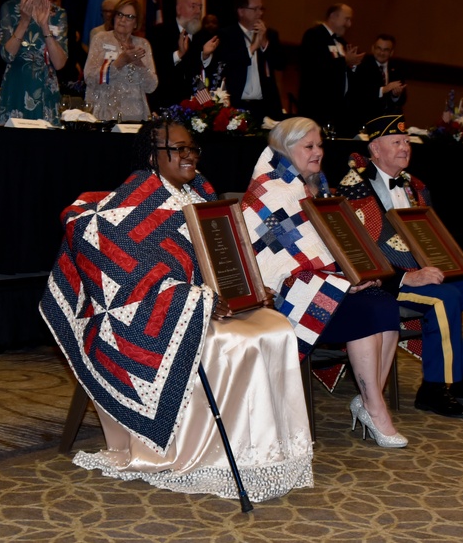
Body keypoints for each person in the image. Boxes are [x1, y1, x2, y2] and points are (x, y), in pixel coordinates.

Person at [39, 117, 313, 502]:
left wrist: (250, 286)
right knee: (241, 343)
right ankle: (218, 452)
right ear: (153, 155)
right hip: (157, 313)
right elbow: (134, 279)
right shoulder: (135, 203)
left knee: (276, 328)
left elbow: (221, 258)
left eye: (192, 149)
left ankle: (267, 451)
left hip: (208, 302)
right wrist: (198, 300)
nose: (189, 157)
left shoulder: (201, 192)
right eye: (179, 149)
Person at [241, 117, 407, 447]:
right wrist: (342, 280)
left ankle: (370, 402)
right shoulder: (272, 190)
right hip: (296, 295)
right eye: (309, 146)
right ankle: (375, 409)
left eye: (319, 145)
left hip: (333, 283)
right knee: (367, 313)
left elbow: (336, 242)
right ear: (286, 150)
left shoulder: (320, 185)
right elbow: (286, 260)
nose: (318, 152)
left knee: (384, 305)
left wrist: (355, 273)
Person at [338, 114, 463, 418]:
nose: (405, 147)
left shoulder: (415, 187)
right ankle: (435, 387)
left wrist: (445, 264)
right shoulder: (353, 188)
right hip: (388, 284)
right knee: (445, 297)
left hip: (424, 273)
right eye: (397, 142)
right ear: (375, 150)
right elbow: (358, 252)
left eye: (407, 141)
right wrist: (407, 278)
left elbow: (429, 237)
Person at [0, 0, 68, 125]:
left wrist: (44, 27)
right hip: (16, 86)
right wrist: (23, 22)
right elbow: (6, 55)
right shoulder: (10, 8)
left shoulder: (58, 14)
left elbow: (59, 63)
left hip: (45, 87)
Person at [213, 0, 286, 121]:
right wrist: (252, 48)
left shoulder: (271, 34)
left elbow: (280, 63)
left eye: (261, 8)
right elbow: (228, 63)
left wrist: (263, 42)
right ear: (241, 12)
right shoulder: (226, 35)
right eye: (255, 9)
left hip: (265, 104)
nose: (260, 13)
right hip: (237, 103)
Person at [84, 0, 157, 122]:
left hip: (135, 116)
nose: (123, 20)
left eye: (129, 16)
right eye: (120, 14)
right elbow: (89, 77)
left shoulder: (143, 45)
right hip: (104, 114)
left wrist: (139, 64)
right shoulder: (100, 39)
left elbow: (151, 86)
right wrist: (119, 63)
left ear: (136, 23)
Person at [297, 4, 365, 136]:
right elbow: (314, 68)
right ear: (333, 16)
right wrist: (344, 61)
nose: (349, 24)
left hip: (338, 113)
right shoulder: (314, 36)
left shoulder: (342, 43)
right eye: (347, 19)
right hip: (317, 109)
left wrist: (353, 64)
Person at [146, 0, 219, 112]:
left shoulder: (204, 36)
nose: (198, 12)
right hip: (166, 104)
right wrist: (178, 55)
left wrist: (205, 56)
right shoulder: (159, 33)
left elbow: (212, 73)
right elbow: (156, 67)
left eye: (200, 7)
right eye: (193, 6)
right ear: (179, 9)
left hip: (196, 106)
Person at [354, 34, 407, 129]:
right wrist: (384, 89)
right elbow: (361, 93)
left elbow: (402, 99)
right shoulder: (362, 66)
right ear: (373, 48)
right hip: (366, 121)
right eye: (379, 48)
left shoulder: (397, 68)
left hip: (389, 123)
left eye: (386, 50)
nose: (381, 53)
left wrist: (396, 95)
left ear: (391, 52)